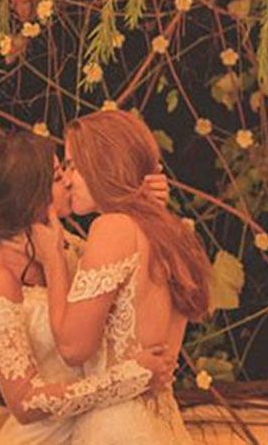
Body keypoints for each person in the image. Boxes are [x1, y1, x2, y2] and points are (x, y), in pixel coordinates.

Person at [0, 131, 172, 444]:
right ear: (28, 194)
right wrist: (129, 378)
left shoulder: (71, 247)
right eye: (56, 175)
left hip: (99, 427)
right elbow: (24, 403)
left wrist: (138, 199)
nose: (68, 180)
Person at [33, 110, 212, 444]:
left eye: (74, 165)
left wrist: (52, 260)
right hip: (163, 426)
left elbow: (73, 347)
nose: (68, 179)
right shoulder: (170, 233)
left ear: (105, 165)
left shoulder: (113, 227)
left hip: (116, 428)